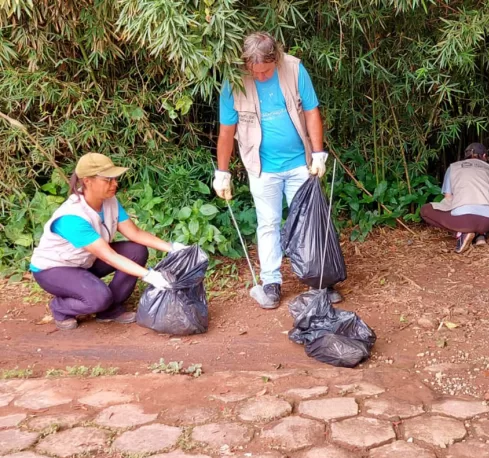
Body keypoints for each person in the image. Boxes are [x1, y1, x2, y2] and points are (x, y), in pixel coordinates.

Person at [212, 31, 342, 309]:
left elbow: (311, 111)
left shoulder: (294, 69)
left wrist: (318, 153)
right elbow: (226, 131)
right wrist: (221, 172)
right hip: (262, 168)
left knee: (307, 222)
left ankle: (318, 282)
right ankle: (271, 282)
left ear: (277, 60)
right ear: (246, 64)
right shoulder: (233, 81)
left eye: (266, 70)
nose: (260, 76)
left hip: (299, 163)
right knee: (268, 223)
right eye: (254, 71)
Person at [30, 153, 185, 331]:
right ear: (87, 181)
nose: (115, 184)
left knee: (136, 250)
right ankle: (61, 308)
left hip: (85, 260)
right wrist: (149, 275)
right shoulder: (72, 217)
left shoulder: (109, 201)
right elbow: (109, 256)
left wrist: (172, 248)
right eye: (108, 180)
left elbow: (134, 233)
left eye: (115, 179)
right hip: (54, 270)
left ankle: (110, 310)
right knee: (98, 298)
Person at [420, 143, 489, 253]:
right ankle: (480, 234)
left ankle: (462, 232)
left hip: (464, 219)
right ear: (484, 155)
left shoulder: (454, 168)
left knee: (425, 210)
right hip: (488, 221)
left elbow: (448, 198)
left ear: (466, 156)